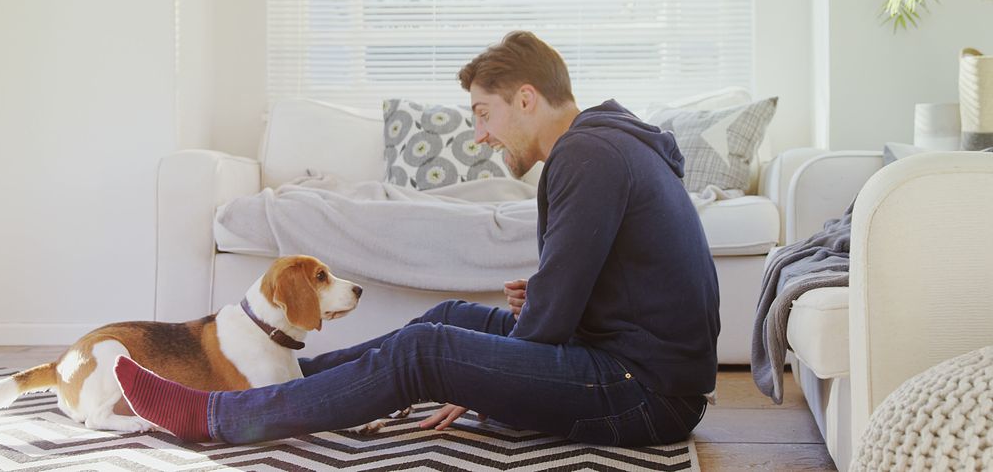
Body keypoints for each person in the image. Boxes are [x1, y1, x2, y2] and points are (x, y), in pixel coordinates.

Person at [113, 30, 721, 446]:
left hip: (642, 395)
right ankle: (273, 383)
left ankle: (216, 416)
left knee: (427, 352)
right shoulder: (605, 146)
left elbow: (556, 317)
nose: (480, 136)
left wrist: (483, 371)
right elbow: (600, 293)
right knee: (452, 316)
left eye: (484, 112)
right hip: (635, 372)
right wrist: (529, 314)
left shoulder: (588, 154)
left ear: (527, 98)